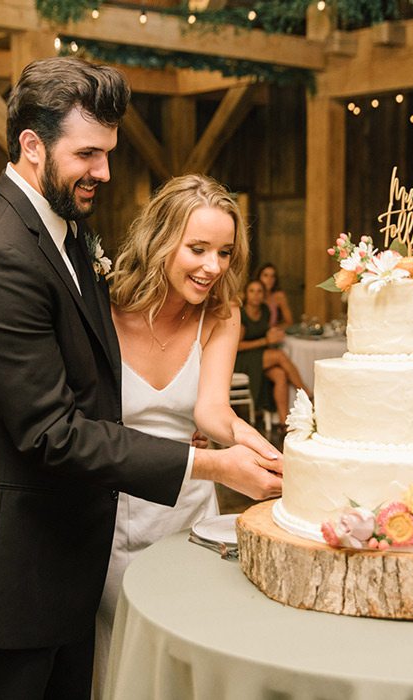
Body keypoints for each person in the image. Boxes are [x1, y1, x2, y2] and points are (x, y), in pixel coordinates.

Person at [0, 57, 281, 698]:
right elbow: (50, 431)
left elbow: (66, 369)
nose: (104, 171)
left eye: (107, 152)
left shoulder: (66, 230)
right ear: (31, 145)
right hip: (2, 580)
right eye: (89, 154)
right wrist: (214, 468)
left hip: (62, 567)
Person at [95, 173, 278, 689]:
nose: (213, 267)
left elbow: (213, 413)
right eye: (198, 249)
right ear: (160, 240)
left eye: (224, 252)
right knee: (116, 660)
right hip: (109, 511)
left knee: (183, 660)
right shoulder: (100, 305)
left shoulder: (222, 314)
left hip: (189, 509)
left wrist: (263, 451)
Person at [235, 279, 310, 421]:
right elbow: (237, 346)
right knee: (279, 356)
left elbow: (266, 332)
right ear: (246, 294)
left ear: (264, 294)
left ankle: (284, 422)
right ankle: (306, 393)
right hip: (241, 358)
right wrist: (265, 341)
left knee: (280, 375)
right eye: (252, 291)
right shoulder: (241, 314)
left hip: (259, 356)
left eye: (259, 291)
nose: (256, 295)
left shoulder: (265, 310)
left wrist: (273, 335)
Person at [255, 262, 293, 329]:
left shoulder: (278, 296)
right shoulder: (250, 294)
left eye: (272, 276)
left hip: (271, 334)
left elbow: (289, 322)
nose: (269, 279)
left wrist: (273, 329)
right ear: (259, 277)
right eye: (265, 275)